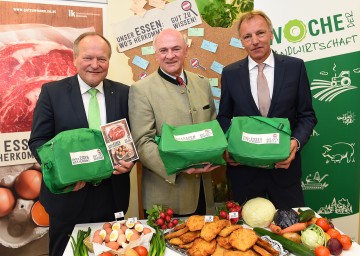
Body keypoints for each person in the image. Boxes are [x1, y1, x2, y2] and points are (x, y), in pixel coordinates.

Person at [28, 32, 134, 256]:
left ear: (108, 61)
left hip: (112, 196)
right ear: (75, 59)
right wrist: (61, 175)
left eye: (102, 59)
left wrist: (131, 160)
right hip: (68, 198)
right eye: (88, 58)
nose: (95, 65)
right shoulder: (52, 93)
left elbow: (135, 137)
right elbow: (38, 142)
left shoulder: (124, 93)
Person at [217, 10, 317, 209]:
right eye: (247, 36)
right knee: (245, 236)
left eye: (260, 33)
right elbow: (224, 117)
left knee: (291, 231)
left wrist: (294, 143)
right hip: (244, 174)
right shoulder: (230, 73)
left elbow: (307, 116)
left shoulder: (295, 67)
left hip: (284, 172)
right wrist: (230, 145)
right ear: (242, 41)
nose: (255, 41)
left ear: (271, 34)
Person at [129, 28, 219, 216]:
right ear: (156, 54)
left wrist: (217, 154)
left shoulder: (202, 83)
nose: (170, 55)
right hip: (166, 199)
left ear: (186, 50)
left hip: (204, 193)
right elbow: (142, 143)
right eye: (163, 50)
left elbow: (213, 128)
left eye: (176, 49)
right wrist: (179, 166)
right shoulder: (141, 90)